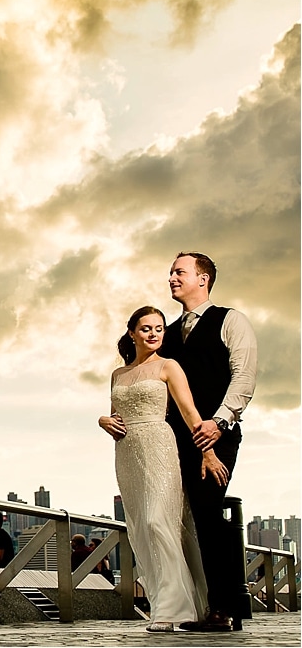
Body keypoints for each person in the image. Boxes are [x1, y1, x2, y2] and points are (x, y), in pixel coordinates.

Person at [98, 305, 227, 633]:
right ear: (132, 333)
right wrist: (103, 420)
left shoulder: (169, 367)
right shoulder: (118, 374)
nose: (154, 334)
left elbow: (190, 413)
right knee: (141, 528)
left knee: (159, 521)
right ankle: (164, 605)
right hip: (127, 453)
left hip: (159, 446)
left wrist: (208, 454)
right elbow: (115, 415)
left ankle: (172, 610)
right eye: (146, 329)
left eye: (159, 328)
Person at [162, 252, 258, 632]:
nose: (172, 277)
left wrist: (219, 423)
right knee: (187, 518)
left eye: (179, 272)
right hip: (175, 440)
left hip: (218, 433)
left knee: (207, 509)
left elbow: (243, 376)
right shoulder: (166, 333)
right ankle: (203, 602)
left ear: (203, 279)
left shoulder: (231, 320)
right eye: (170, 272)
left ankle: (224, 608)